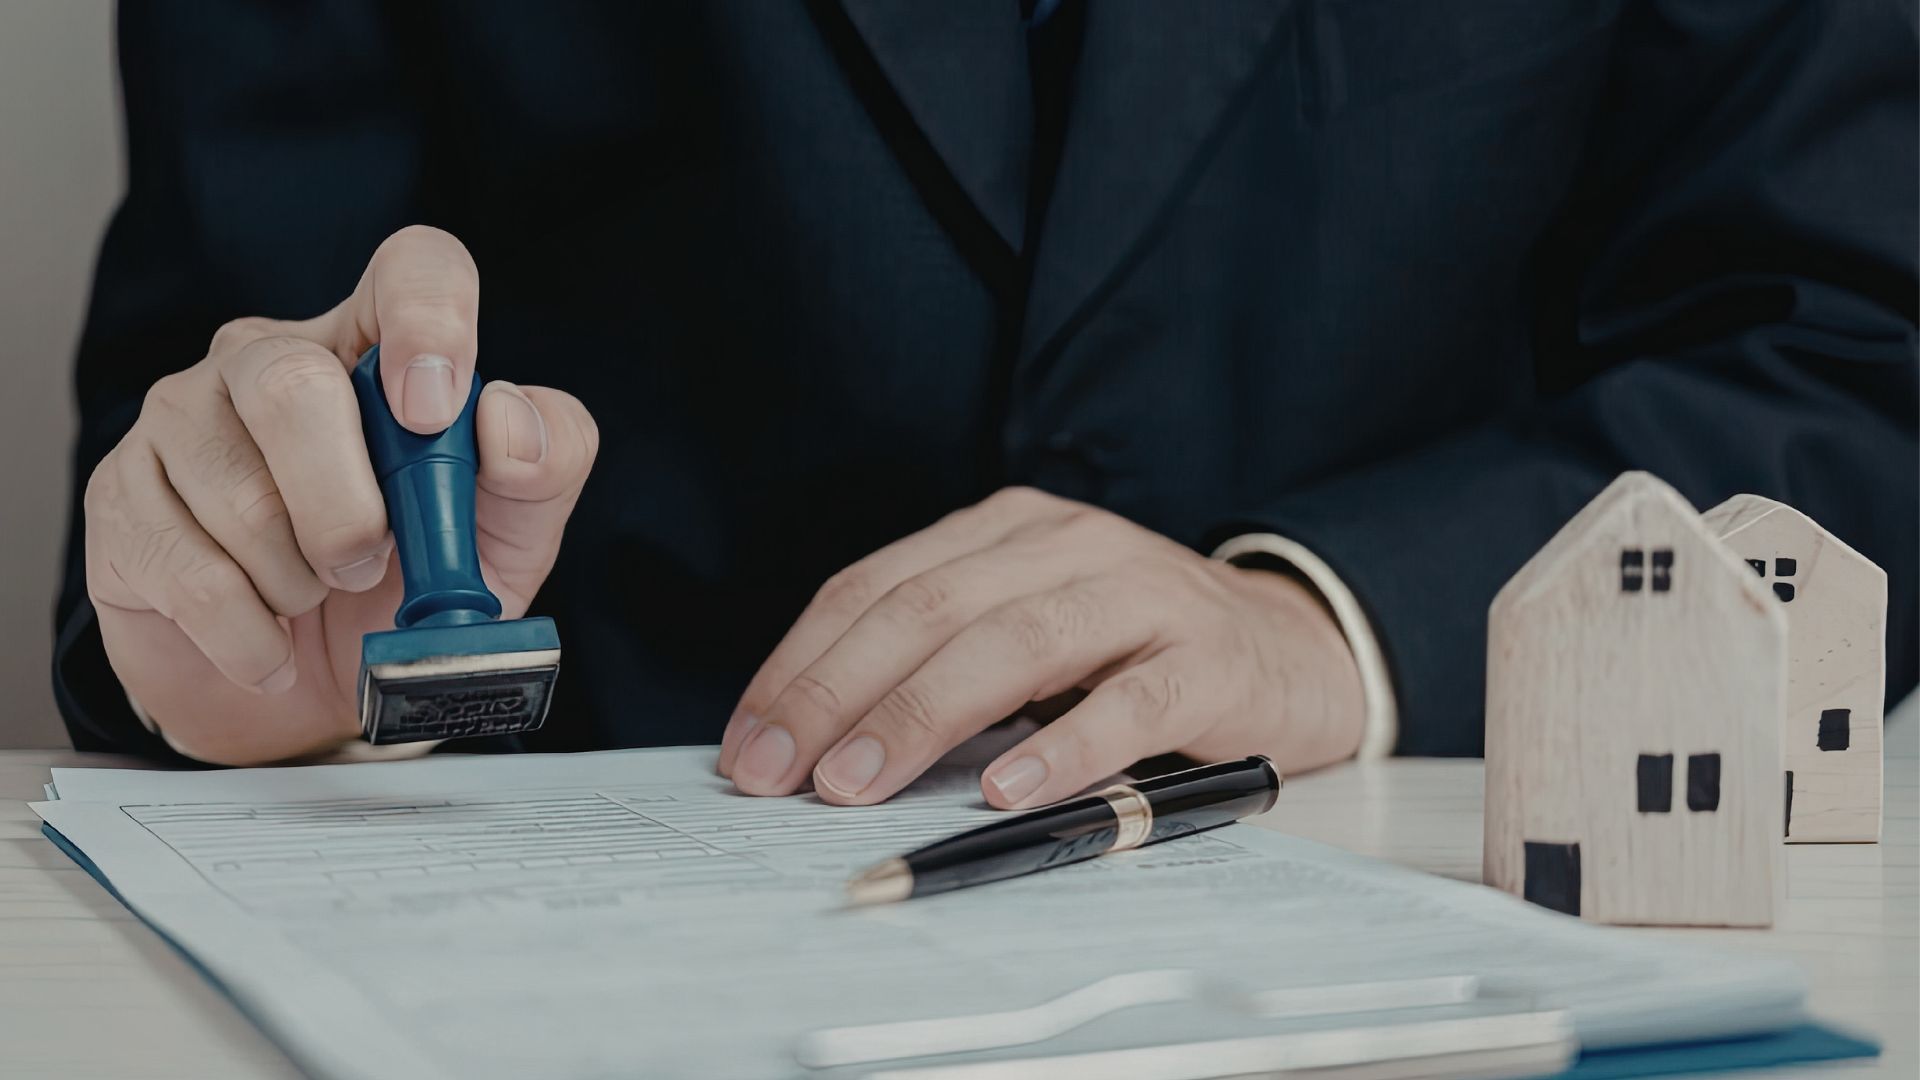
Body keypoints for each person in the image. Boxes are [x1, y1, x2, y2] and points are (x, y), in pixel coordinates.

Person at [56, 2, 1917, 810]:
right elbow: (230, 368)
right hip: (556, 920)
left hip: (1412, 902)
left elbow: (1859, 366)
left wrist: (1329, 624)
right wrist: (244, 636)